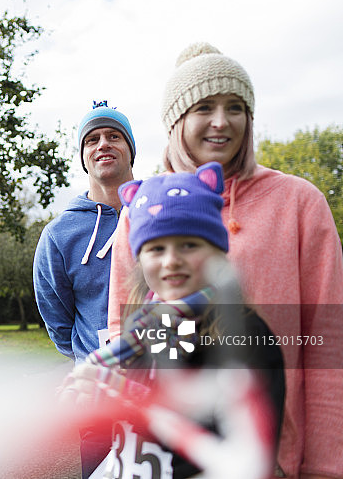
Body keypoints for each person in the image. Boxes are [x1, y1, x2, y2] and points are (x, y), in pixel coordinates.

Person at [107, 43, 343, 478]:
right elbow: (126, 331)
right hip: (170, 456)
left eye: (236, 107)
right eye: (204, 107)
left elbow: (328, 339)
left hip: (275, 455)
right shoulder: (140, 209)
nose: (221, 121)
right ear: (176, 121)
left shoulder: (299, 202)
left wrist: (326, 466)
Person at [63, 162, 285, 479]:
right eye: (156, 248)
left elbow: (246, 447)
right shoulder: (145, 327)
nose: (171, 261)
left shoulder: (243, 334)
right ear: (140, 259)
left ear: (217, 252)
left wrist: (125, 397)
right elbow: (138, 417)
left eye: (189, 245)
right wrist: (97, 398)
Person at [34, 100, 136, 362]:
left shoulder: (162, 211)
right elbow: (58, 323)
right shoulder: (58, 235)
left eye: (114, 136)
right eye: (92, 140)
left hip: (167, 371)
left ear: (131, 150)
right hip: (97, 377)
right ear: (83, 157)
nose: (103, 144)